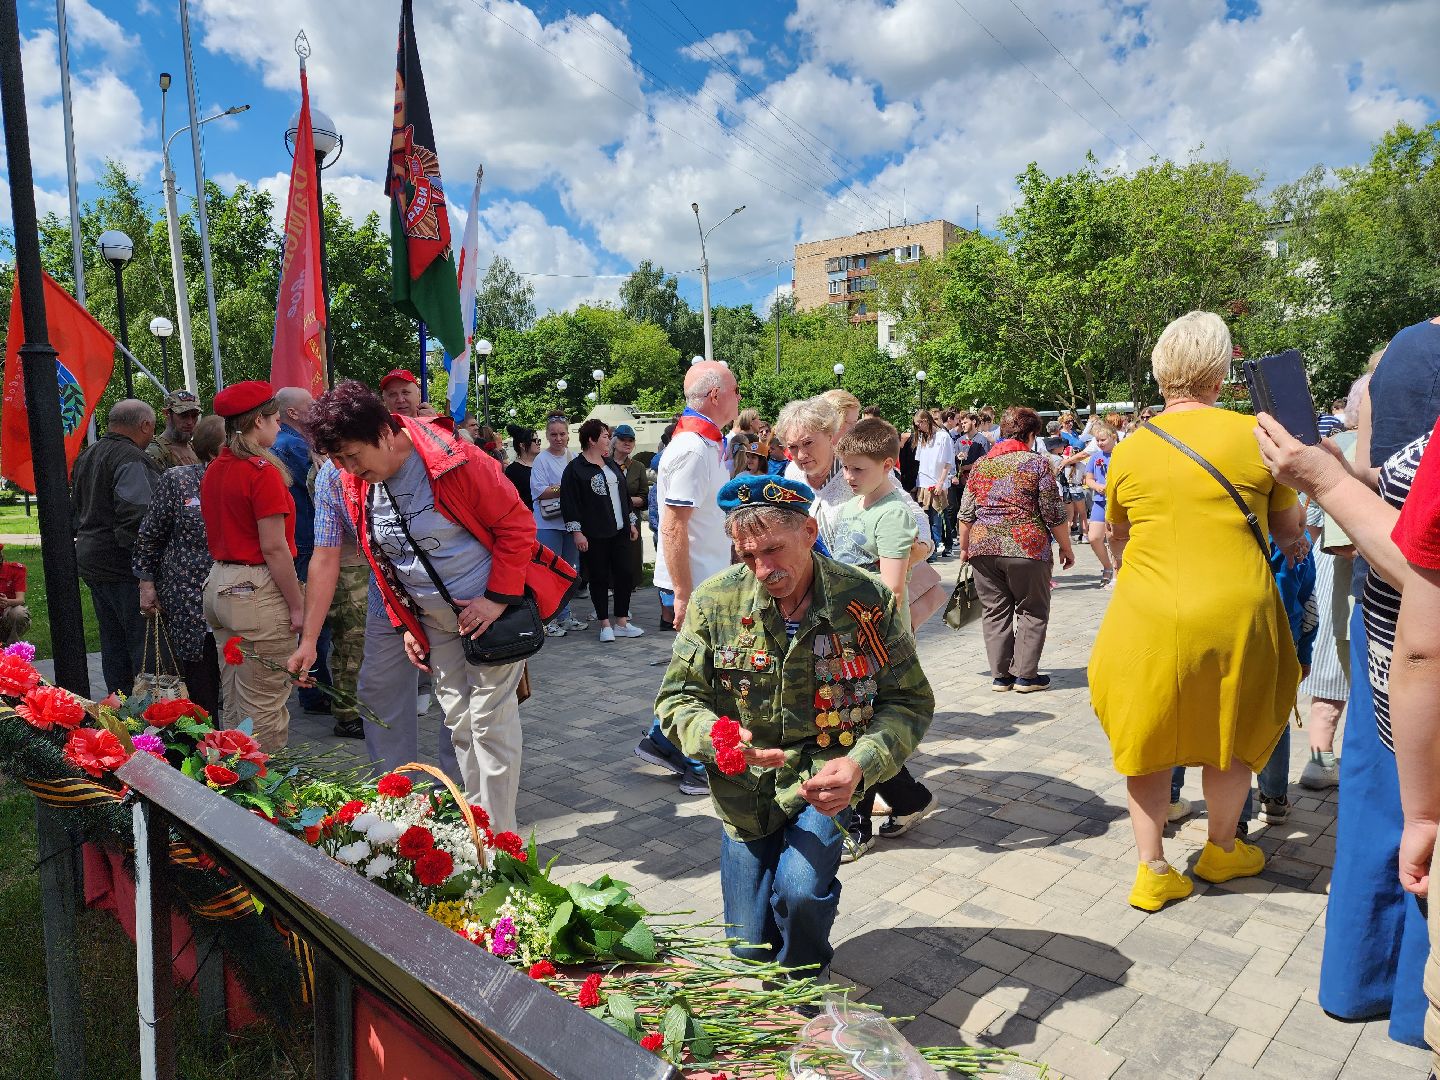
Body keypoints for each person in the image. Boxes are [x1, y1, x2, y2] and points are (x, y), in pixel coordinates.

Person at [655, 474, 933, 974]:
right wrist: (717, 739)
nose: (762, 569)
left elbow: (909, 700)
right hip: (745, 790)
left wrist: (860, 766)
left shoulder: (863, 601)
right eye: (747, 556)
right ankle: (774, 973)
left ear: (809, 531)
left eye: (774, 550)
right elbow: (676, 699)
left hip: (822, 777)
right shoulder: (715, 602)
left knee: (801, 893)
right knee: (746, 949)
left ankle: (803, 982)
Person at [1254, 320, 1440, 1049]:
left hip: (1408, 661)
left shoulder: (1418, 351)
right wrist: (1345, 471)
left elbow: (1424, 586)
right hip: (1397, 651)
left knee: (1393, 826)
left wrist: (1329, 482)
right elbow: (1414, 504)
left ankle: (1383, 991)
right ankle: (1389, 994)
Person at [1088, 312, 1306, 914]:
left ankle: (1152, 868)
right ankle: (1221, 848)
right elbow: (1290, 529)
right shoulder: (1257, 435)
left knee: (1148, 734)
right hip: (1237, 609)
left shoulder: (1131, 447)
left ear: (1162, 373)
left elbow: (1120, 531)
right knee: (1230, 729)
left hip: (1147, 612)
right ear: (1221, 368)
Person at [298, 380, 574, 834]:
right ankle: (477, 824)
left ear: (385, 433)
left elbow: (517, 526)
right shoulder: (353, 481)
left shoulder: (455, 459)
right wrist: (407, 621)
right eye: (339, 460)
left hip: (492, 617)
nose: (348, 468)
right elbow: (385, 558)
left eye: (352, 456)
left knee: (488, 724)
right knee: (460, 722)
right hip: (437, 623)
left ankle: (500, 841)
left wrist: (494, 600)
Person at [832, 419, 938, 855]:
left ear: (888, 465)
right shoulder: (852, 508)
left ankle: (855, 825)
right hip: (844, 634)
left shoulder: (893, 512)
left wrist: (877, 651)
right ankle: (910, 799)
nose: (848, 477)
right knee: (850, 727)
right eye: (846, 468)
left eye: (858, 469)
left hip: (871, 641)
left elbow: (892, 589)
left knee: (855, 730)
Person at [636, 361, 739, 797]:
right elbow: (673, 526)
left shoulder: (706, 444)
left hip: (708, 579)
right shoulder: (692, 448)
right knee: (707, 673)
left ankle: (662, 741)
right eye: (734, 389)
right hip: (695, 584)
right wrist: (682, 593)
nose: (739, 396)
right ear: (714, 395)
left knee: (700, 668)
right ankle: (697, 763)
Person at [200, 382, 304, 750]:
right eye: (276, 420)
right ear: (258, 421)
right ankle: (265, 797)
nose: (279, 428)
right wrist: (297, 604)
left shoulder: (217, 467)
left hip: (220, 584)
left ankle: (230, 784)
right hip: (256, 588)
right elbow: (275, 548)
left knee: (234, 700)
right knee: (264, 706)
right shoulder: (261, 472)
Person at [957, 407, 1074, 694]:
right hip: (1026, 546)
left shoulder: (982, 464)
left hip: (983, 546)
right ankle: (1025, 676)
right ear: (1031, 435)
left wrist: (964, 549)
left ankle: (1001, 677)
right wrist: (1067, 548)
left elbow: (965, 513)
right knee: (1032, 610)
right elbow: (1053, 512)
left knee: (994, 612)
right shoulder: (1038, 464)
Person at [133, 415, 226, 719]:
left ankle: (237, 748)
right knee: (200, 677)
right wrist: (146, 585)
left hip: (235, 592)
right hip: (189, 597)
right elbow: (149, 536)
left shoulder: (247, 478)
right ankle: (205, 744)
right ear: (214, 451)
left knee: (234, 672)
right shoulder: (178, 480)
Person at [73, 398, 162, 693]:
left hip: (93, 560)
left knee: (113, 642)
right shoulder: (131, 458)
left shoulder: (88, 455)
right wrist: (146, 568)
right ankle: (146, 718)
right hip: (123, 565)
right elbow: (139, 517)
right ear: (145, 425)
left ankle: (120, 708)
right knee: (142, 645)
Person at [272, 387, 331, 718]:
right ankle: (314, 691)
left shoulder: (289, 443)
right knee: (315, 620)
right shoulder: (292, 446)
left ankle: (313, 688)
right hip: (307, 540)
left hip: (304, 539)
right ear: (293, 413)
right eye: (311, 404)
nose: (317, 407)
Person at [561, 420, 643, 643]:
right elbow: (570, 502)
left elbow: (624, 496)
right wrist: (577, 532)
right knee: (598, 577)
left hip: (620, 530)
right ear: (592, 439)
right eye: (605, 436)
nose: (609, 439)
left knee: (624, 574)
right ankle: (604, 623)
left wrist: (631, 522)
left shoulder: (610, 464)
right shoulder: (575, 469)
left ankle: (622, 622)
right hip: (594, 533)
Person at [531, 415, 586, 638]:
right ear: (547, 436)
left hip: (569, 523)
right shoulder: (541, 460)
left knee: (568, 571)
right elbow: (539, 491)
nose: (558, 438)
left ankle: (565, 615)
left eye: (562, 434)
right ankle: (548, 619)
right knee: (548, 572)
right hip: (547, 523)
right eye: (553, 434)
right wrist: (563, 487)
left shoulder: (572, 457)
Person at [609, 423, 649, 589]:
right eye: (623, 439)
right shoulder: (605, 464)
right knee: (610, 558)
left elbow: (644, 498)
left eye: (631, 440)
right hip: (609, 519)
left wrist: (623, 499)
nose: (627, 443)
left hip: (632, 519)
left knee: (631, 558)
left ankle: (627, 595)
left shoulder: (637, 466)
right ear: (614, 441)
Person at [910, 409, 953, 558]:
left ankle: (940, 547)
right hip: (924, 481)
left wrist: (941, 482)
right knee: (926, 517)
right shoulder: (923, 438)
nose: (918, 428)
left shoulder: (943, 436)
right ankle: (934, 547)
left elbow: (948, 462)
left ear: (925, 421)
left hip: (937, 481)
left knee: (938, 516)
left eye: (919, 424)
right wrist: (918, 483)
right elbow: (921, 463)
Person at [1082, 423, 1121, 586]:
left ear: (1113, 437)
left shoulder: (1121, 454)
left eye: (1103, 439)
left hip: (1118, 502)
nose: (1100, 443)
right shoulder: (1095, 457)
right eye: (1097, 440)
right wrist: (1096, 486)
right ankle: (1107, 566)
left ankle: (1118, 570)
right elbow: (1088, 479)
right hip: (1099, 501)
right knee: (1094, 537)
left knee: (1114, 538)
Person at [146, 389, 202, 471]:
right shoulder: (155, 452)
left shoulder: (197, 449)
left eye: (194, 416)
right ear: (167, 414)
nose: (190, 422)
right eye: (183, 415)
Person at [504, 425, 540, 509]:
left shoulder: (543, 463)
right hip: (528, 516)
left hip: (550, 514)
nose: (538, 442)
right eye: (534, 440)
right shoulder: (512, 471)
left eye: (539, 440)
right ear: (522, 445)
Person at [0, 545, 29, 646]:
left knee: (19, 613)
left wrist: (7, 602)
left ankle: (12, 647)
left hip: (6, 615)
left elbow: (21, 600)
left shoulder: (15, 570)